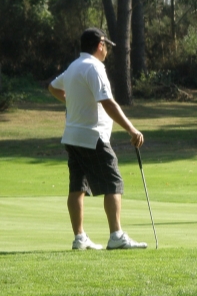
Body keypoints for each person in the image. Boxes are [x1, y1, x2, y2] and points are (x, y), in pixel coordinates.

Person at [48, 28, 148, 250]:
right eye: (107, 47)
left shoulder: (74, 66)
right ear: (100, 44)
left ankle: (80, 238)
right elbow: (109, 103)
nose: (107, 51)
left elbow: (53, 87)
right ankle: (116, 235)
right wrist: (132, 129)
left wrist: (74, 103)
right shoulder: (94, 67)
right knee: (113, 182)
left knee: (77, 186)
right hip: (93, 136)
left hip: (73, 136)